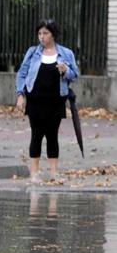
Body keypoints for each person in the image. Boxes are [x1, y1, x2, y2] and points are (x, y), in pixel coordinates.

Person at [15, 19, 78, 184]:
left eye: (45, 33)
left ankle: (54, 173)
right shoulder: (33, 52)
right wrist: (20, 94)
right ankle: (34, 173)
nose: (42, 37)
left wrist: (66, 71)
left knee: (52, 135)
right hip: (35, 100)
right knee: (36, 134)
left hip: (56, 100)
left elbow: (75, 75)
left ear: (53, 35)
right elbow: (22, 73)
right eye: (39, 34)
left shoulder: (65, 53)